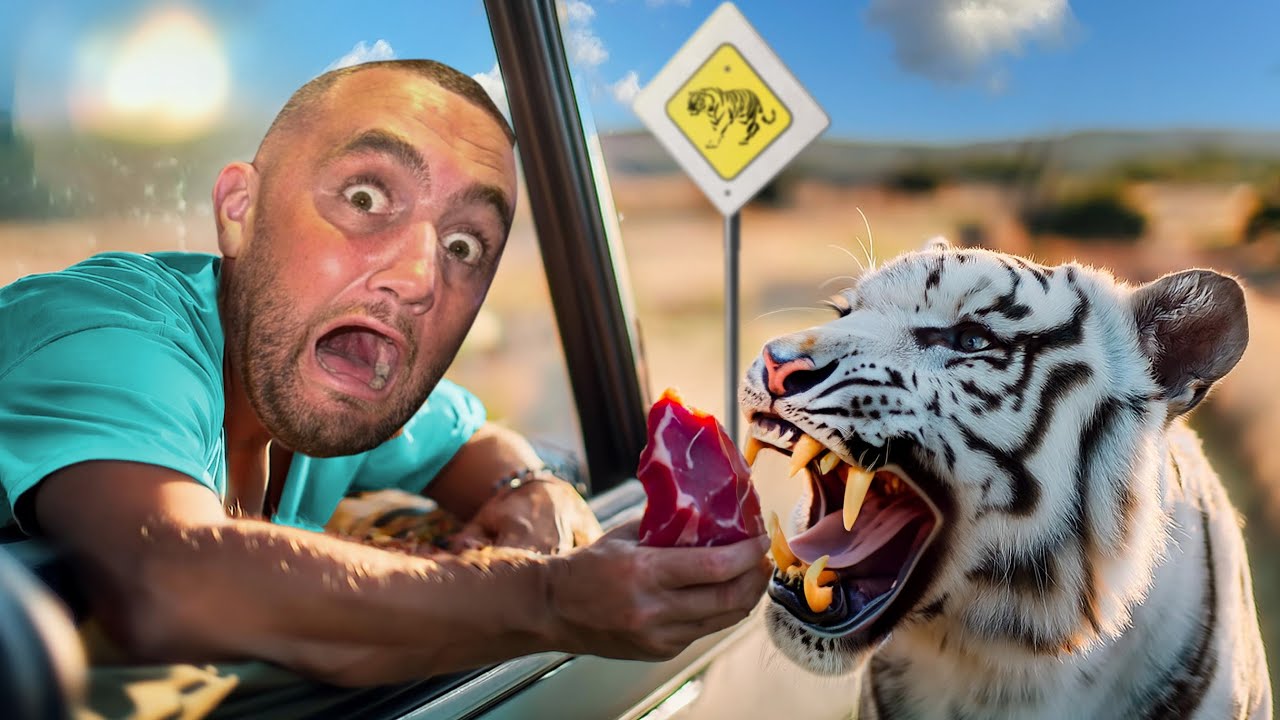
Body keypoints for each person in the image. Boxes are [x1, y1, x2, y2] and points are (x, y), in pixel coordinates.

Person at [0, 59, 770, 686]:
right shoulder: (101, 331)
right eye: (366, 197)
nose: (418, 277)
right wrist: (546, 599)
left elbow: (468, 439)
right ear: (239, 208)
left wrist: (526, 489)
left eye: (466, 245)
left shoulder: (328, 377)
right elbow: (169, 582)